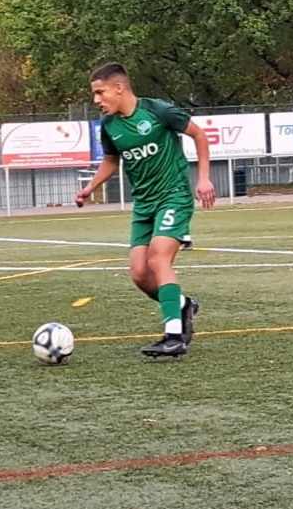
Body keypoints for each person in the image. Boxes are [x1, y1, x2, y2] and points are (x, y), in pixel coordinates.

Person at [76, 62, 215, 358]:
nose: (96, 100)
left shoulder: (157, 110)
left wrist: (203, 178)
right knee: (140, 274)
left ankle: (174, 336)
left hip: (173, 196)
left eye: (100, 92)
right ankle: (182, 305)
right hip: (144, 205)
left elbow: (199, 135)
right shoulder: (110, 126)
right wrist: (90, 187)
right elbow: (111, 161)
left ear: (119, 88)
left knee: (157, 258)